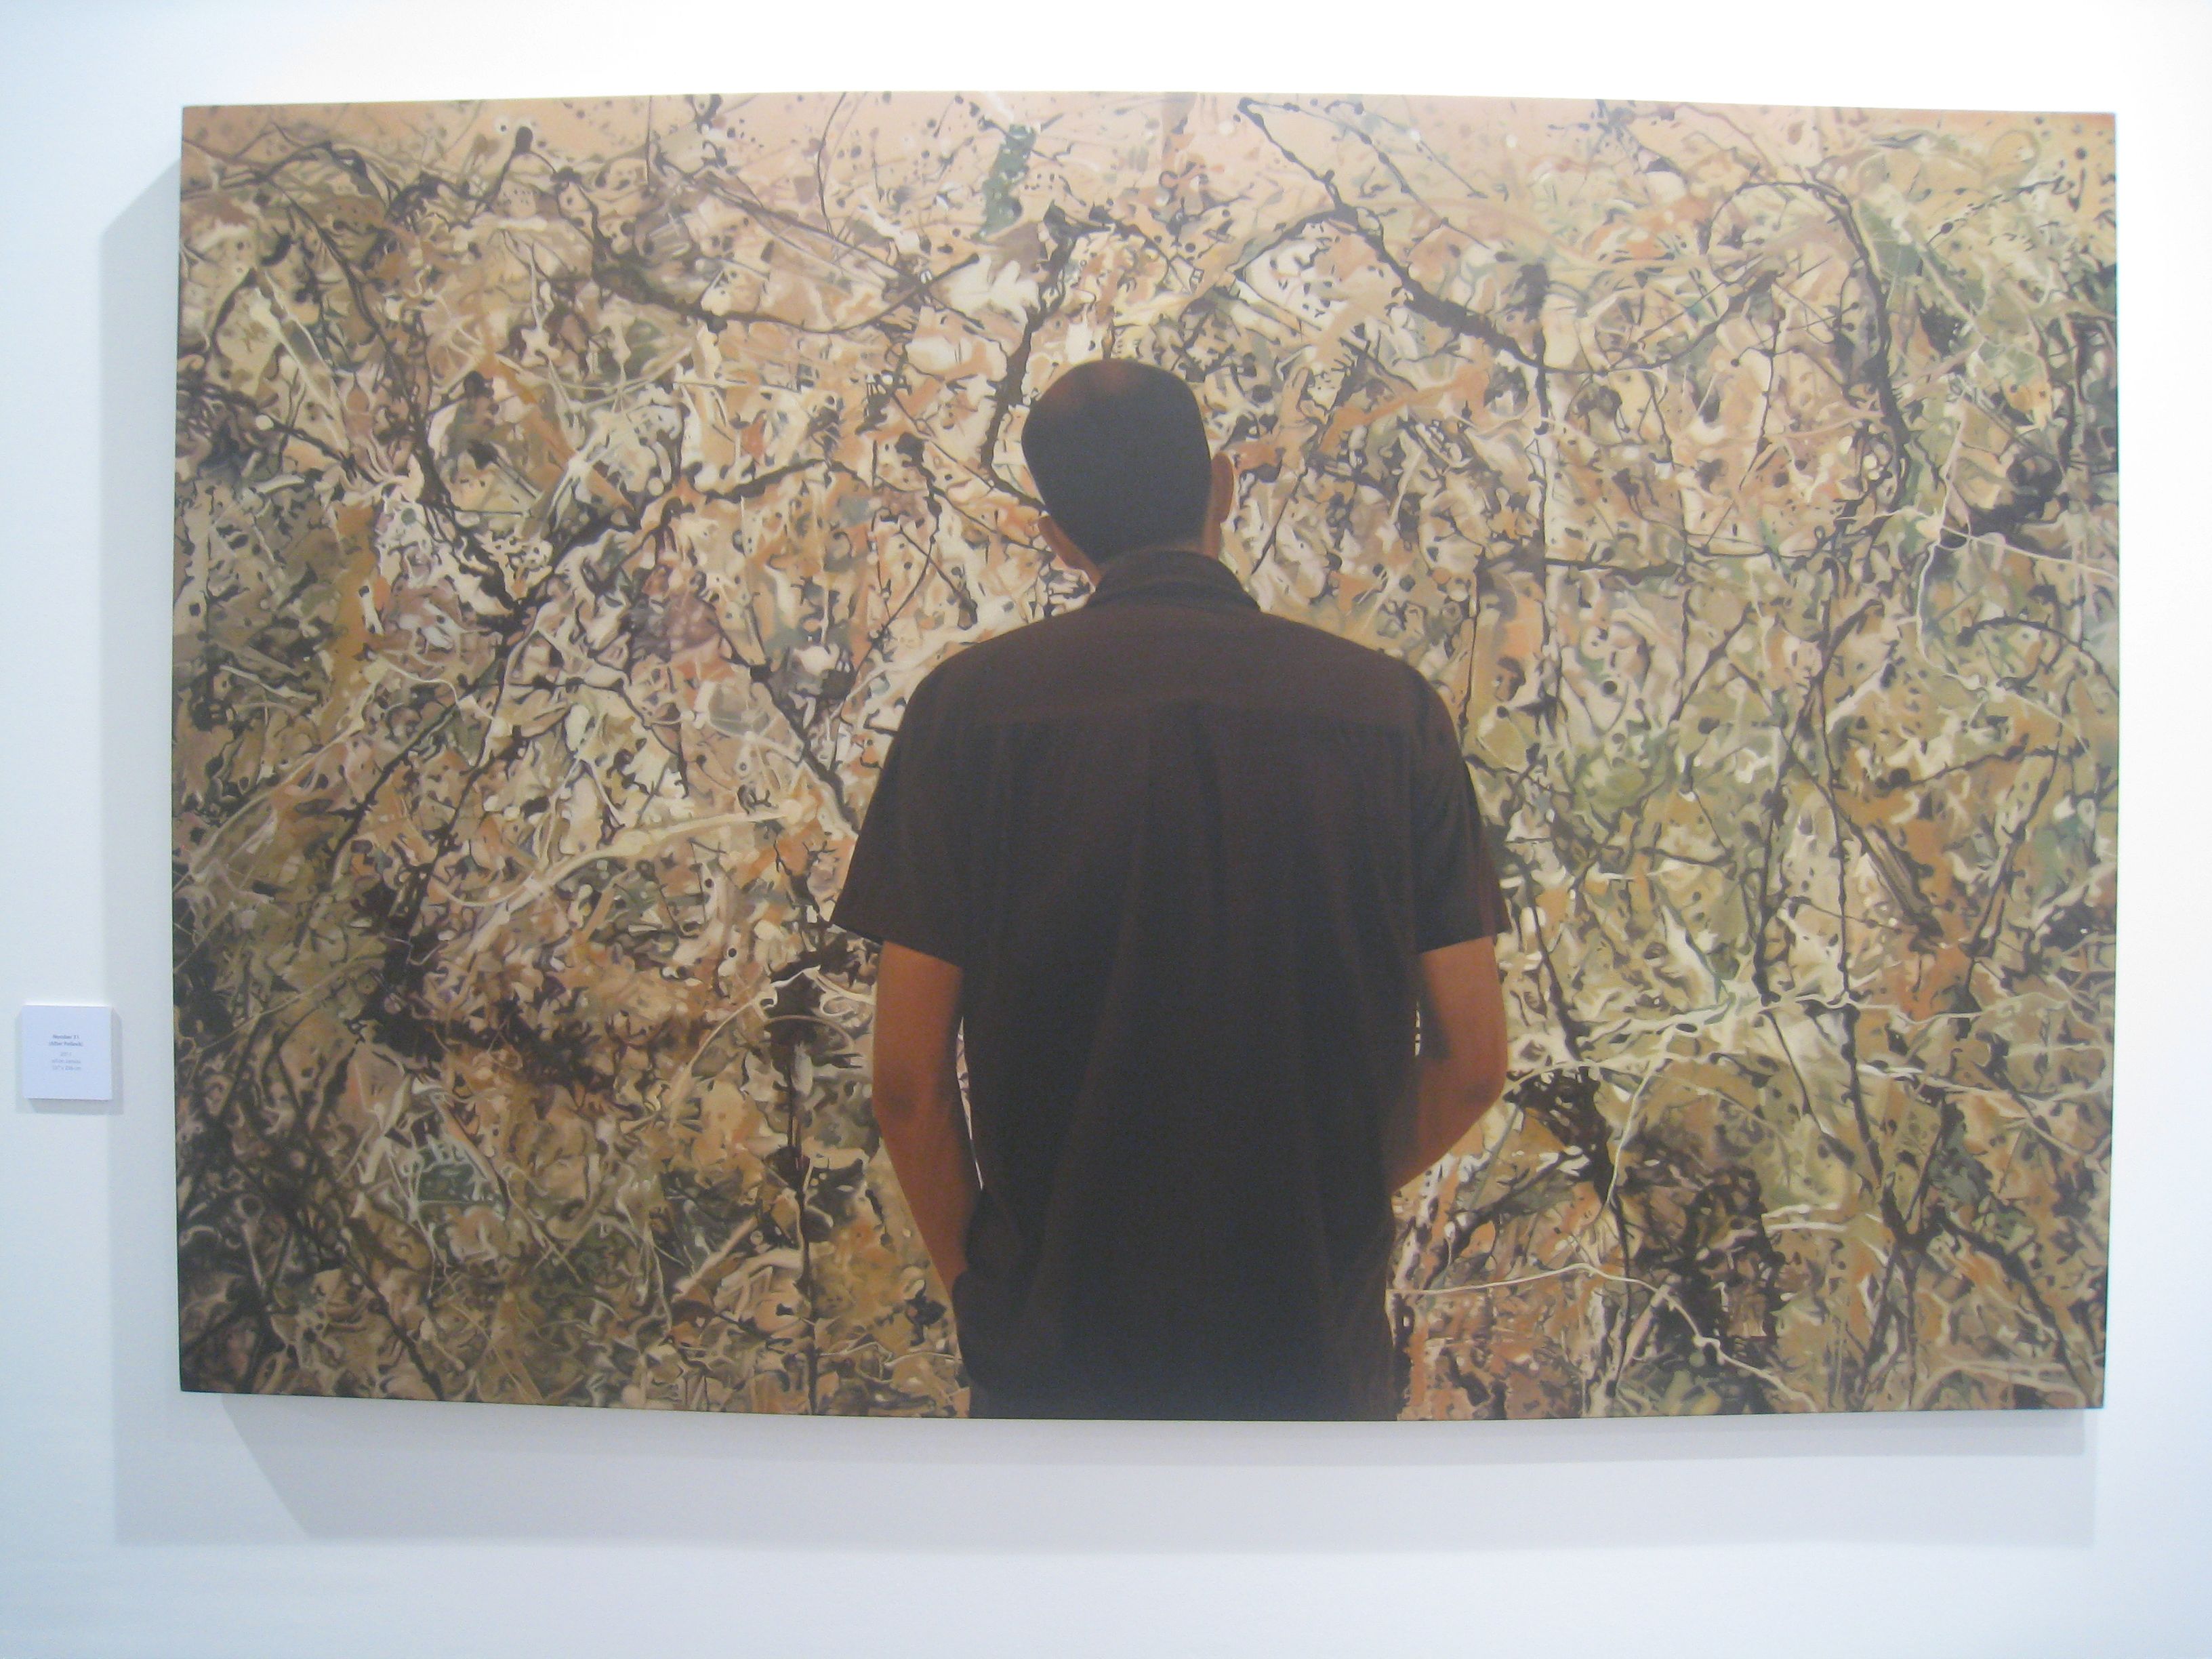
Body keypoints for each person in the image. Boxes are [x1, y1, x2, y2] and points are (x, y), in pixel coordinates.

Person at [832, 359, 1511, 1420]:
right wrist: (1313, 1202)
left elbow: (909, 1084)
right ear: (1223, 486)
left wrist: (983, 1294)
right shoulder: (1388, 713)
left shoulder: (967, 715)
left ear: (1059, 539)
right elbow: (1471, 1063)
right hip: (1306, 1348)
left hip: (1061, 1354)